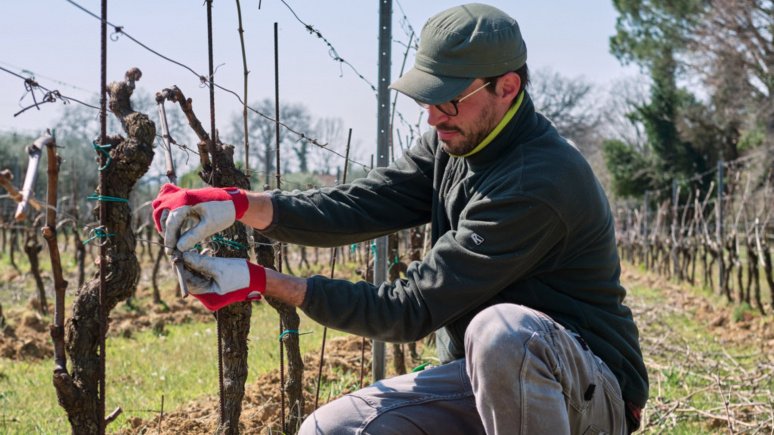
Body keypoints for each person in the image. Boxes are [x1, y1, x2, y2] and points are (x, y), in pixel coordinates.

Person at [152, 3, 648, 434]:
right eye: (427, 100)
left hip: (584, 396)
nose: (433, 117)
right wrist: (238, 204)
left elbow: (411, 307)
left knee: (503, 333)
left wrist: (265, 281)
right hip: (486, 379)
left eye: (448, 99)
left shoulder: (538, 181)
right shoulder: (454, 139)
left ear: (507, 87)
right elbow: (364, 203)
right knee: (331, 429)